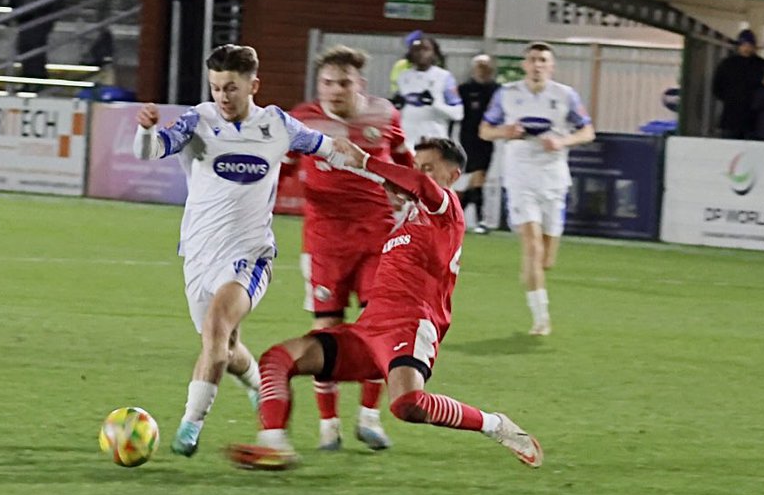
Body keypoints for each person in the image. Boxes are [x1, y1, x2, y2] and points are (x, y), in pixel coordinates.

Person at [227, 137, 542, 471]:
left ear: (453, 175)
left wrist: (366, 161)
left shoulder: (446, 209)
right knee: (278, 358)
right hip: (368, 331)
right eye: (418, 167)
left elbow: (419, 185)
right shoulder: (407, 219)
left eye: (430, 168)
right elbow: (407, 187)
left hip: (411, 324)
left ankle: (496, 425)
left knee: (408, 405)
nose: (421, 174)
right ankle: (273, 445)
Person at [132, 43, 348, 458]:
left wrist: (367, 164)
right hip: (197, 254)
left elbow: (326, 147)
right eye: (216, 88)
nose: (222, 97)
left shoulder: (278, 125)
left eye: (231, 87)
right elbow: (150, 150)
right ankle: (258, 385)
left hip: (248, 256)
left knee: (215, 333)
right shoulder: (198, 119)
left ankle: (189, 427)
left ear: (253, 85)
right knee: (224, 350)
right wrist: (145, 130)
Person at [288, 45, 414, 451]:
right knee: (327, 331)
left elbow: (404, 162)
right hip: (325, 243)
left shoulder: (384, 115)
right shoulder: (301, 120)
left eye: (343, 83)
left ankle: (370, 418)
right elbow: (279, 167)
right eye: (327, 82)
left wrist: (411, 193)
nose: (334, 90)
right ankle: (329, 426)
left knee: (376, 328)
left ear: (359, 83)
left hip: (378, 238)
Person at [479, 42, 594, 337]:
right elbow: (484, 130)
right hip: (519, 177)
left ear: (551, 66)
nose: (537, 64)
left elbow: (587, 131)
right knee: (531, 246)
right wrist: (505, 132)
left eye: (543, 60)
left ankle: (534, 276)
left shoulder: (565, 95)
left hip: (553, 178)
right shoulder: (507, 94)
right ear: (524, 65)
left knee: (545, 260)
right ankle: (541, 319)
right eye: (532, 59)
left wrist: (562, 142)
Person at [392, 34, 464, 149]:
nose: (420, 53)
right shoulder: (403, 77)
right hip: (407, 142)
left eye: (425, 49)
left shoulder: (444, 77)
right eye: (416, 50)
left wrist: (435, 104)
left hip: (434, 141)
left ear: (434, 53)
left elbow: (458, 114)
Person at [457, 53, 499, 232]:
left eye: (486, 67)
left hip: (488, 140)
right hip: (467, 139)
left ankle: (458, 214)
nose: (482, 71)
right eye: (479, 66)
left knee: (478, 177)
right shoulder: (464, 89)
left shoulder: (497, 90)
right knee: (475, 177)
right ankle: (476, 218)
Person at [711, 30, 764, 140]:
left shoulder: (761, 66)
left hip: (753, 121)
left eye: (749, 45)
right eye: (743, 45)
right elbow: (717, 88)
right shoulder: (727, 65)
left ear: (754, 46)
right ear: (738, 46)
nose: (746, 48)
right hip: (732, 119)